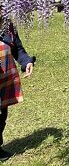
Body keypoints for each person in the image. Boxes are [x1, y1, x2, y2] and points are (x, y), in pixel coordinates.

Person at [0, 22, 35, 161]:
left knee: (2, 114)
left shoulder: (7, 27)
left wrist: (26, 62)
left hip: (4, 80)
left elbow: (18, 49)